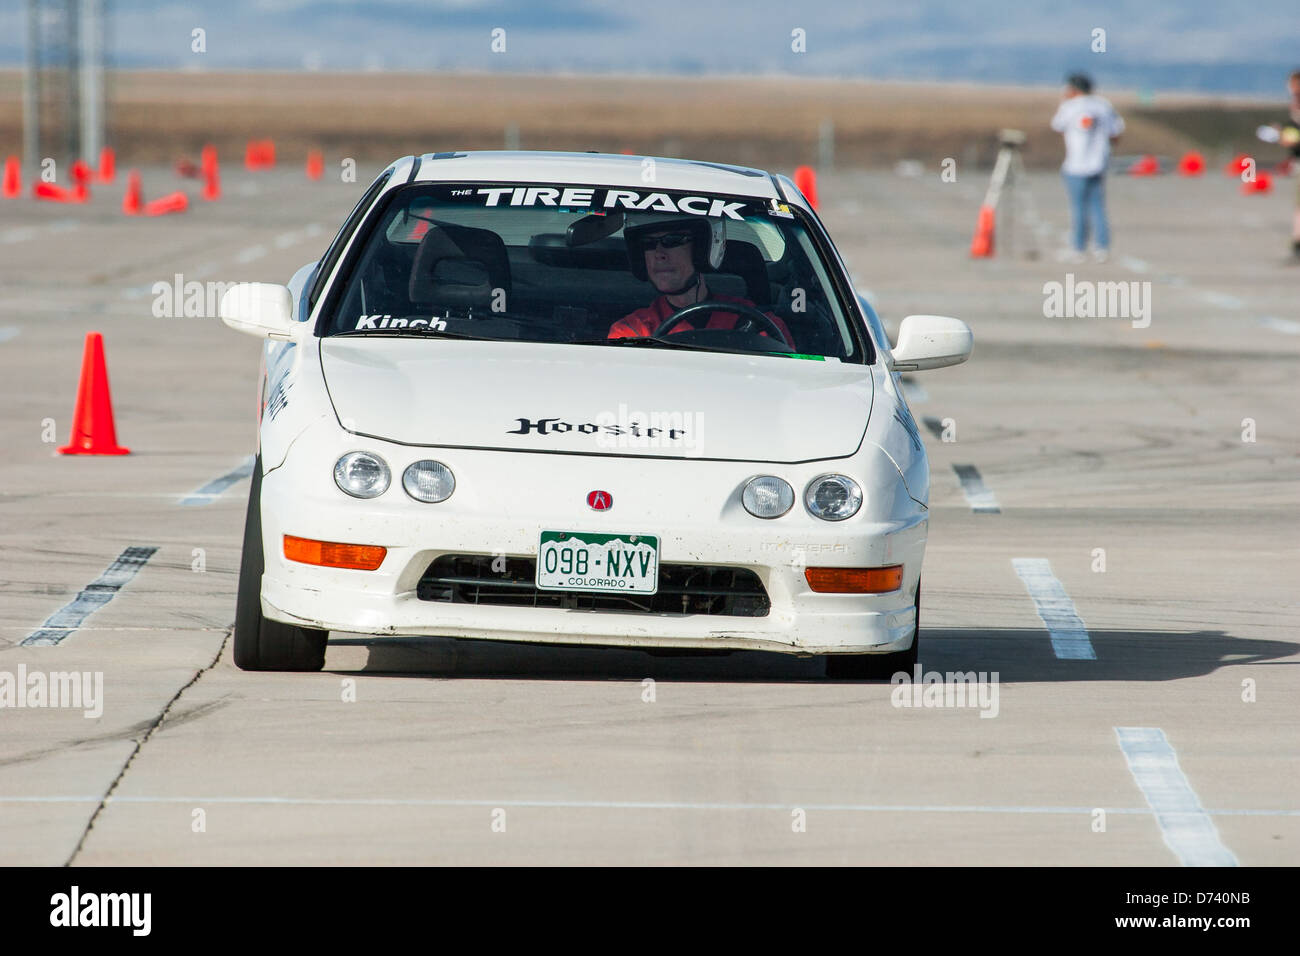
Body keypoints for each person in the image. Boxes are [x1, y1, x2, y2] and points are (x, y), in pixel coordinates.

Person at [609, 215, 794, 346]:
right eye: (648, 244)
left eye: (672, 240)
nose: (659, 254)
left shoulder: (754, 323)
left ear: (700, 249)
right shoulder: (632, 331)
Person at [1050, 72, 1125, 263]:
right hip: (1098, 163)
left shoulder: (1070, 106)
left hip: (1076, 164)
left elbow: (1058, 126)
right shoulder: (1103, 105)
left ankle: (1079, 247)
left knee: (1078, 207)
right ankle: (1102, 247)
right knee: (1098, 206)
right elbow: (1115, 133)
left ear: (1073, 89)